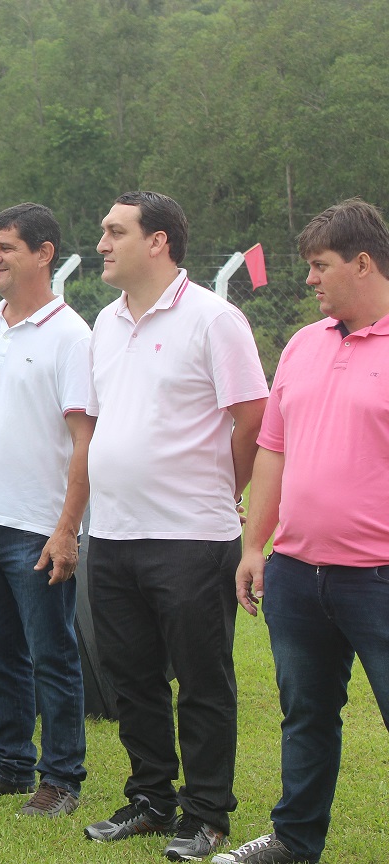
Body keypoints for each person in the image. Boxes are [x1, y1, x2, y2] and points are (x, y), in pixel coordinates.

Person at [82, 192, 268, 861]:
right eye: (102, 233)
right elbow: (101, 422)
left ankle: (208, 813)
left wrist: (225, 486)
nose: (101, 243)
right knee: (131, 677)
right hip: (114, 535)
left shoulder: (213, 320)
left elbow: (252, 417)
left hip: (191, 536)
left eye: (114, 232)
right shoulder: (104, 322)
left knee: (202, 679)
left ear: (157, 241)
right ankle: (151, 799)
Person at [214, 199, 389, 864]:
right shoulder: (301, 345)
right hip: (295, 572)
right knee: (306, 716)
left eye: (321, 266)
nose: (309, 279)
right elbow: (273, 453)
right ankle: (294, 840)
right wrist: (256, 546)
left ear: (363, 263)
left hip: (379, 577)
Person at [0, 203, 93, 816]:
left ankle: (61, 777)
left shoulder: (72, 336)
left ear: (44, 253)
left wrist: (66, 529)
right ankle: (8, 762)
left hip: (37, 527)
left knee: (51, 654)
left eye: (6, 248)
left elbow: (86, 438)